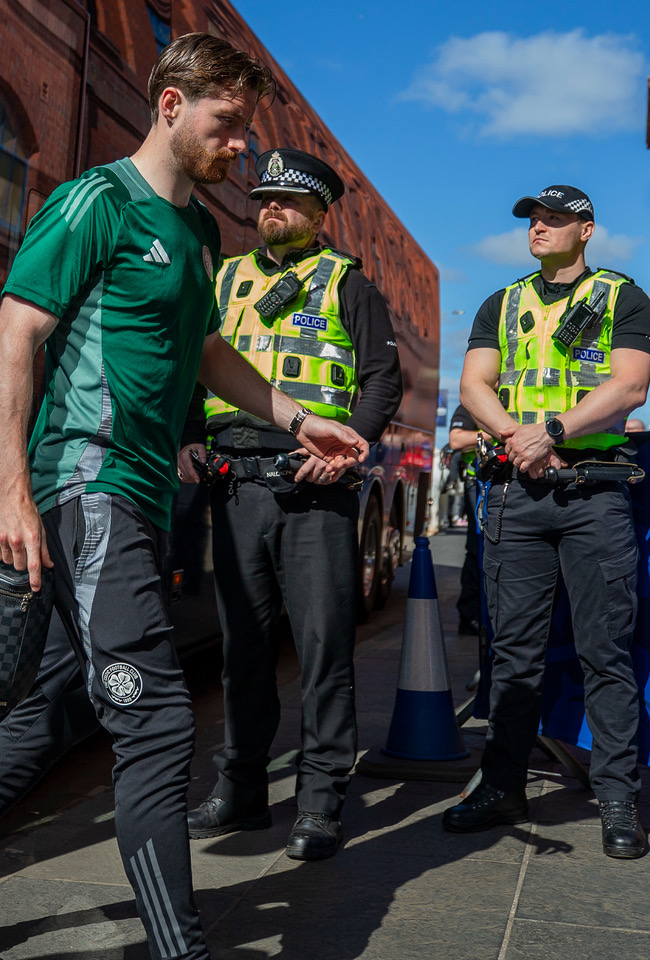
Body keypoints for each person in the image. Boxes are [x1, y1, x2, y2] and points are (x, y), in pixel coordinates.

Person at [0, 36, 366, 960]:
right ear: (170, 105)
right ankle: (180, 950)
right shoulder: (94, 202)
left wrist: (298, 417)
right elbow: (15, 339)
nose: (240, 152)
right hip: (83, 482)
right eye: (226, 126)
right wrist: (11, 494)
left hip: (137, 491)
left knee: (59, 704)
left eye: (247, 132)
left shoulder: (199, 234)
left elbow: (208, 351)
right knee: (160, 720)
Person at [185, 148, 402, 861]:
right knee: (242, 651)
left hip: (315, 490)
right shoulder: (224, 278)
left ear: (319, 215)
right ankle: (242, 790)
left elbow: (380, 383)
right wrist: (188, 436)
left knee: (321, 651)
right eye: (265, 198)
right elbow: (191, 361)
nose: (270, 208)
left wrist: (348, 446)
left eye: (288, 200)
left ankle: (319, 802)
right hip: (236, 484)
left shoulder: (348, 284)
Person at [443, 185, 650, 859]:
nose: (538, 227)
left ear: (587, 230)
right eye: (532, 219)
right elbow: (473, 384)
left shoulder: (623, 296)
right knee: (513, 654)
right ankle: (501, 785)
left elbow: (630, 386)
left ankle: (619, 798)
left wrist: (554, 431)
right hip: (517, 491)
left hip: (592, 492)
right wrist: (516, 436)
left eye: (554, 219)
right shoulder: (501, 302)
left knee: (606, 650)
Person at [448, 402, 482, 635]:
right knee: (477, 548)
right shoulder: (472, 404)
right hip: (479, 486)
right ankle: (470, 616)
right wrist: (497, 431)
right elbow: (456, 440)